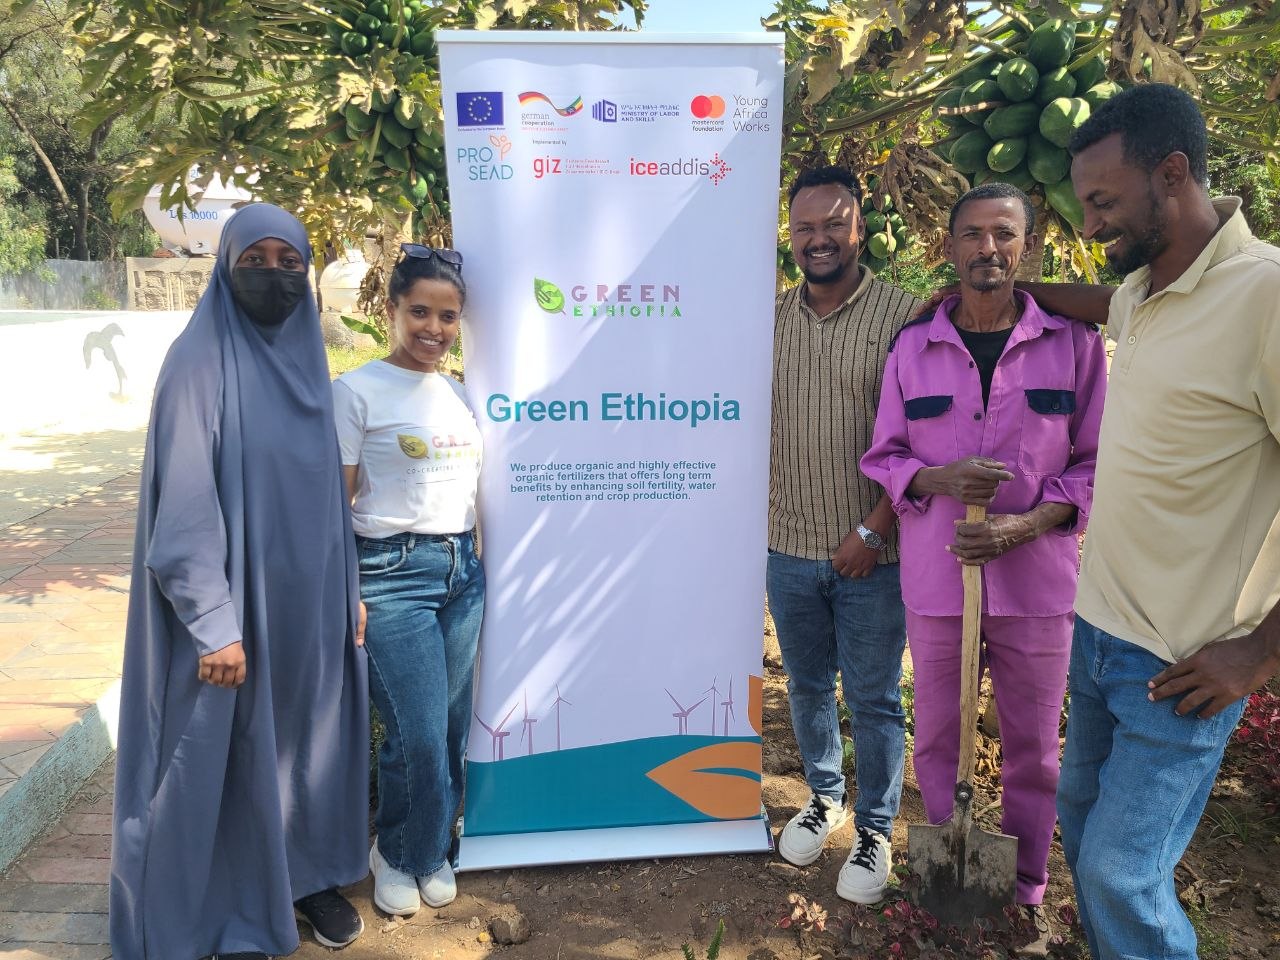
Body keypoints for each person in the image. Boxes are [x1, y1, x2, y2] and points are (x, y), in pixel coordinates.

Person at [1044, 83, 1280, 960]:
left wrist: (1259, 653)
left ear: (1173, 175)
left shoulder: (1265, 297)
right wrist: (1001, 289)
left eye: (1103, 201)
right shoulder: (1144, 292)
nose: (1091, 223)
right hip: (1097, 633)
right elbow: (1097, 303)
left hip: (1183, 660)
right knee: (1081, 828)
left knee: (1117, 871)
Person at [111, 204, 369, 960]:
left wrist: (346, 587)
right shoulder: (198, 363)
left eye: (292, 263)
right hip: (230, 609)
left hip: (309, 601)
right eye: (256, 259)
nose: (277, 277)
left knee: (301, 742)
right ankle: (218, 904)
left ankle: (302, 880)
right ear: (224, 267)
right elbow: (184, 509)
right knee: (219, 753)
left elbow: (329, 497)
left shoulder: (310, 367)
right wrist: (214, 622)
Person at [861, 183, 1107, 949]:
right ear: (949, 247)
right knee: (935, 735)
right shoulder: (914, 347)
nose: (987, 249)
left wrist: (1028, 522)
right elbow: (886, 455)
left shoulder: (1073, 345)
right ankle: (949, 867)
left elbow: (1100, 463)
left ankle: (1027, 882)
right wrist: (934, 480)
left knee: (1034, 747)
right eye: (972, 234)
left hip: (1036, 587)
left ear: (1026, 247)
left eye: (1004, 234)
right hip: (938, 583)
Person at [769, 165, 917, 904]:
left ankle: (877, 828)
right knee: (806, 687)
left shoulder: (905, 316)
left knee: (875, 697)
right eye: (805, 228)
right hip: (787, 547)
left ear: (861, 227)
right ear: (789, 236)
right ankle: (827, 798)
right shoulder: (768, 319)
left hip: (875, 552)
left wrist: (875, 526)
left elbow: (927, 434)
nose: (819, 239)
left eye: (834, 224)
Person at [332, 244, 484, 917]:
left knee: (450, 729)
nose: (433, 328)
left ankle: (433, 848)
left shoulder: (458, 391)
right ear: (391, 309)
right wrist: (346, 592)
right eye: (419, 311)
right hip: (390, 576)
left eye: (447, 317)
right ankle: (396, 852)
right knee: (415, 732)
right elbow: (333, 507)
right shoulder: (355, 391)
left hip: (462, 572)